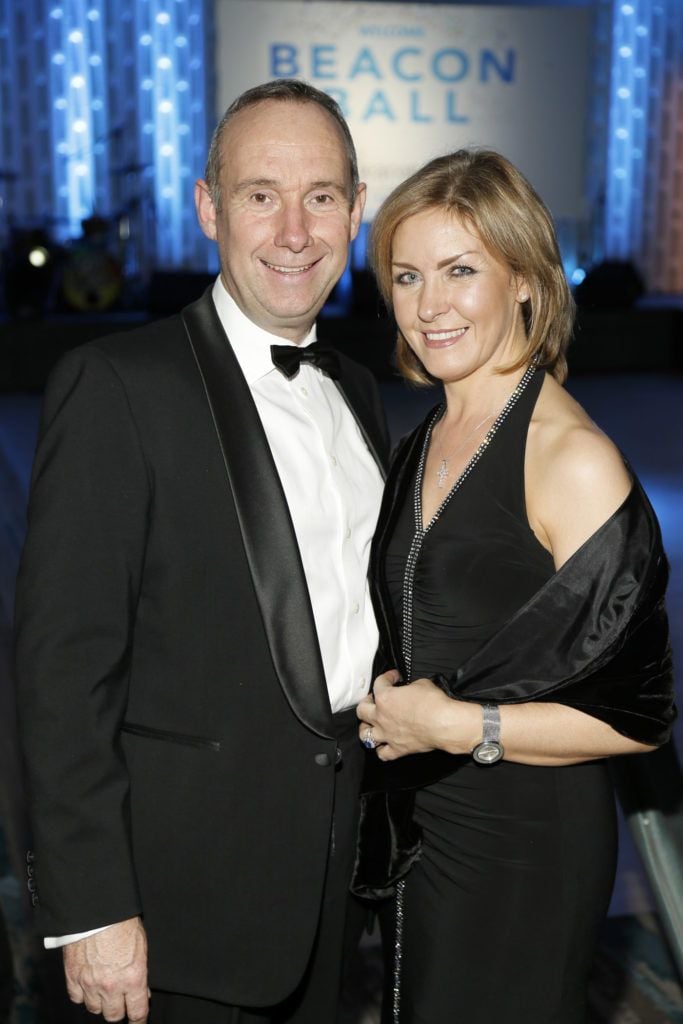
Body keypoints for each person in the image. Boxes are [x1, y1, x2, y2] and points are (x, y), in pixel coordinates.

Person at [14, 79, 390, 1024]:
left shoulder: (358, 391)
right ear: (209, 209)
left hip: (331, 898)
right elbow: (62, 672)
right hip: (173, 923)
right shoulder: (116, 387)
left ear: (355, 209)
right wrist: (92, 906)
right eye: (261, 195)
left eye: (321, 197)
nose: (294, 231)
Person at [353, 149, 675, 1023]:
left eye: (462, 271)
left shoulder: (568, 458)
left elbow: (637, 714)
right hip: (431, 822)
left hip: (525, 838)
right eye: (408, 275)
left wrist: (457, 724)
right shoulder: (435, 426)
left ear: (526, 282)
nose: (429, 305)